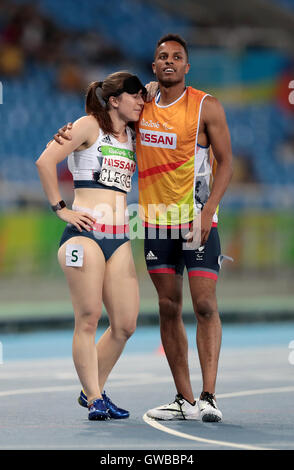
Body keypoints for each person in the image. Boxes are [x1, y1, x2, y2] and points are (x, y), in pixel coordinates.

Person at [53, 34, 233, 423]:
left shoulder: (206, 106)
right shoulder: (142, 107)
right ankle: (183, 400)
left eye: (177, 57)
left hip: (195, 220)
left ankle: (208, 396)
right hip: (154, 223)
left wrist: (208, 212)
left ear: (187, 66)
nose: (169, 61)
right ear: (154, 67)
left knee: (204, 305)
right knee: (168, 308)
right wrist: (68, 136)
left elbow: (227, 162)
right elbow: (104, 120)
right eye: (162, 57)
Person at [36, 71, 146, 420]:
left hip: (120, 237)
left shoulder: (133, 135)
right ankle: (96, 397)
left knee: (125, 324)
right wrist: (61, 209)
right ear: (114, 100)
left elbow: (157, 94)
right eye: (135, 96)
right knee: (88, 319)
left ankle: (90, 390)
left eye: (143, 96)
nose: (141, 101)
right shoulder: (87, 126)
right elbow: (44, 161)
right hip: (85, 234)